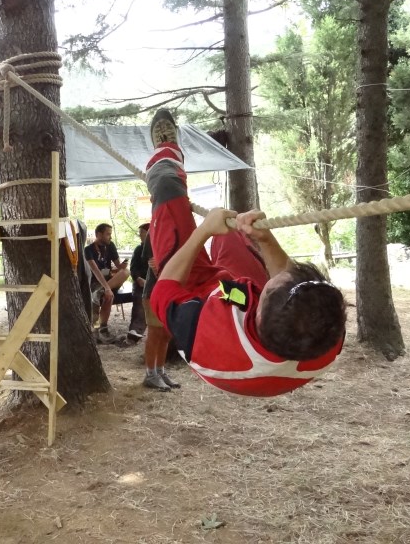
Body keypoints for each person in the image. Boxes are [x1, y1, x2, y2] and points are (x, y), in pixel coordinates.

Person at [145, 109, 346, 397]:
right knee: (237, 235)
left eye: (271, 283)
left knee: (166, 187)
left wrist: (202, 232)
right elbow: (287, 282)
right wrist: (265, 239)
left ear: (259, 305)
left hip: (207, 309)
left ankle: (166, 153)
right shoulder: (329, 328)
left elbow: (164, 288)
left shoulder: (204, 331)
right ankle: (237, 239)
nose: (279, 274)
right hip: (249, 317)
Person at [140, 238, 181, 391]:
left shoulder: (178, 230)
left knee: (165, 334)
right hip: (154, 292)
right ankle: (150, 374)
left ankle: (160, 372)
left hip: (169, 293)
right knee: (155, 333)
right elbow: (155, 265)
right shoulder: (155, 230)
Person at [84, 222, 130, 344]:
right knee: (108, 296)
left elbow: (119, 267)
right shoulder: (88, 250)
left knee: (126, 272)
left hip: (109, 281)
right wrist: (107, 289)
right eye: (108, 234)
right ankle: (101, 328)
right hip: (96, 282)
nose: (110, 236)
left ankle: (103, 291)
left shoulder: (111, 246)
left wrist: (122, 265)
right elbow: (95, 270)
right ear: (99, 234)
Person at [126, 222, 150, 344]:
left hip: (157, 282)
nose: (140, 235)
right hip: (141, 283)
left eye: (142, 232)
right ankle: (135, 332)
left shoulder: (160, 248)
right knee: (140, 301)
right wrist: (138, 278)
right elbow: (133, 268)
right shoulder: (138, 249)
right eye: (140, 233)